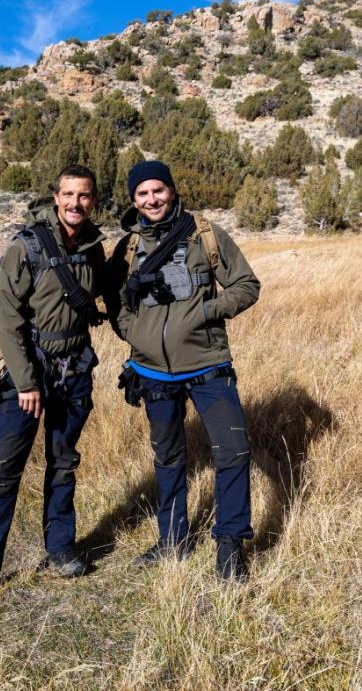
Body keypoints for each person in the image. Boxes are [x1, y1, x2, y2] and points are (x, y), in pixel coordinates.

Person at [0, 165, 106, 615]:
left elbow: (109, 304)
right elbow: (7, 319)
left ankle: (60, 548)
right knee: (4, 473)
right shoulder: (26, 247)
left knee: (63, 464)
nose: (74, 203)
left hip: (75, 371)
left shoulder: (96, 248)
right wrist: (24, 381)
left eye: (83, 196)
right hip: (28, 378)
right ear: (54, 196)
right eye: (67, 194)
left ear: (93, 201)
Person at [108, 160, 260, 581]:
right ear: (133, 199)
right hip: (153, 372)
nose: (152, 199)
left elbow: (247, 285)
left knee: (233, 452)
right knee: (169, 456)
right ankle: (171, 540)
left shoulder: (205, 234)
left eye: (158, 190)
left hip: (209, 366)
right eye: (142, 193)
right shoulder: (126, 247)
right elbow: (116, 301)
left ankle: (230, 548)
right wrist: (133, 333)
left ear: (171, 191)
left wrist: (207, 311)